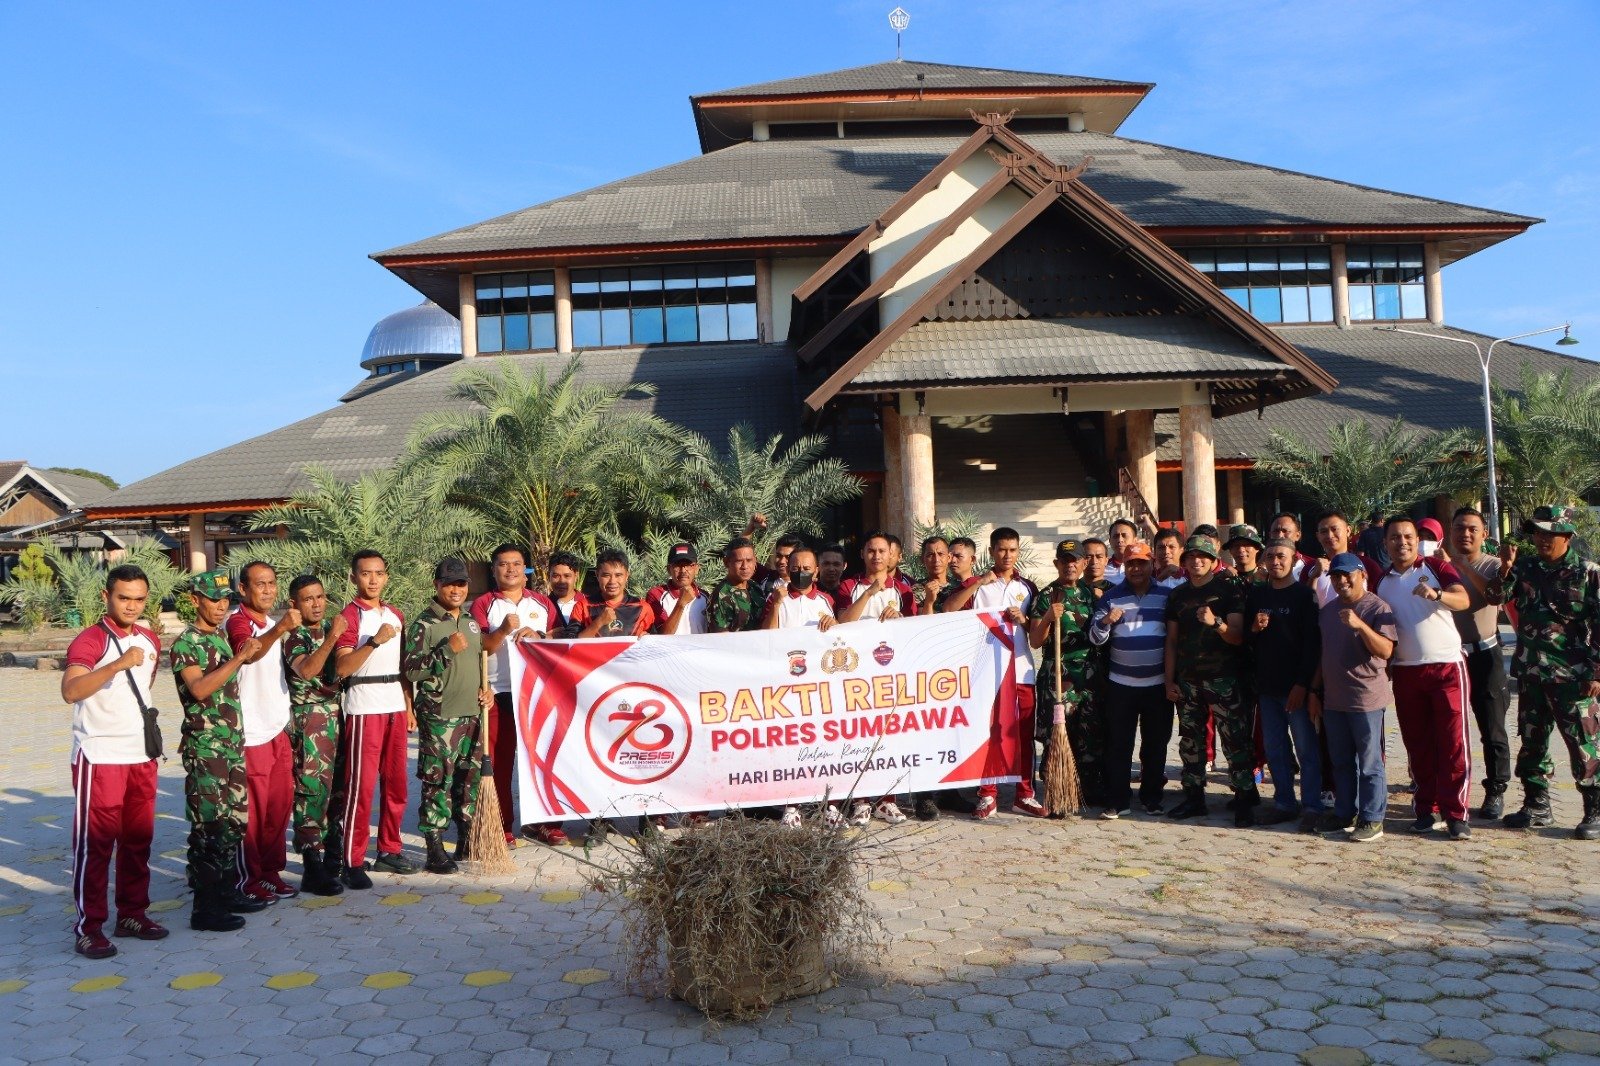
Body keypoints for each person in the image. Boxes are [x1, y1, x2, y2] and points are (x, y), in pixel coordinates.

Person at [61, 565, 165, 958]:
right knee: (96, 845)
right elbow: (71, 691)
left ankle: (133, 914)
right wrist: (116, 665)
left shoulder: (149, 639)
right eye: (124, 598)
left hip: (140, 754)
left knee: (138, 841)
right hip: (100, 756)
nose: (132, 606)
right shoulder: (91, 639)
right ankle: (89, 928)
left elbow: (144, 689)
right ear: (107, 597)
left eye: (139, 599)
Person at [1487, 505, 1600, 839]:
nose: (1541, 538)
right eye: (1537, 532)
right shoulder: (1525, 567)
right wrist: (1505, 569)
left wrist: (1596, 672)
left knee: (1584, 743)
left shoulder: (1588, 572)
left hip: (1573, 676)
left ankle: (1594, 810)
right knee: (1532, 739)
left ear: (1566, 536)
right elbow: (1494, 598)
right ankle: (1537, 805)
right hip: (1532, 672)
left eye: (1549, 533)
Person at [170, 569, 265, 931]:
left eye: (226, 599)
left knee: (233, 823)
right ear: (195, 600)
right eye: (214, 599)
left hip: (229, 746)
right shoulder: (186, 643)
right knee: (208, 827)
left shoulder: (221, 638)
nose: (221, 606)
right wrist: (239, 659)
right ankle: (205, 908)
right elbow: (199, 689)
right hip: (206, 749)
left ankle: (226, 892)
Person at [1377, 516, 1474, 840]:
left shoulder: (1435, 567)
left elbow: (1463, 599)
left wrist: (1437, 595)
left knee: (1452, 743)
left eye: (1407, 536)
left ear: (1416, 540)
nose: (1401, 542)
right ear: (1386, 542)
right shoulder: (1382, 581)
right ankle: (1426, 809)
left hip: (1446, 667)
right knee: (1418, 744)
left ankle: (1456, 813)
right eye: (1394, 537)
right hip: (1406, 671)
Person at [332, 550, 417, 888]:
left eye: (378, 573)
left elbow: (403, 665)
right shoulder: (350, 616)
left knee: (397, 783)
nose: (372, 580)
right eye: (365, 573)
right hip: (364, 704)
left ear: (386, 577)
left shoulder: (396, 614)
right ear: (354, 577)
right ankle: (351, 860)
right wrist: (373, 643)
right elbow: (342, 668)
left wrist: (409, 705)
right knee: (361, 787)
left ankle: (389, 849)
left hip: (395, 702)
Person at [943, 527, 1041, 819]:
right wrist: (978, 584)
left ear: (1018, 552)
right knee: (989, 733)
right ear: (992, 551)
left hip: (1022, 670)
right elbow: (949, 609)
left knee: (1023, 734)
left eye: (1012, 550)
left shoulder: (1029, 587)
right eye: (1001, 550)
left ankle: (1025, 794)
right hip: (987, 674)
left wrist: (1023, 620)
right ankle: (988, 794)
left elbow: (1037, 633)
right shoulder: (980, 585)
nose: (1007, 555)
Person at [405, 558, 493, 874]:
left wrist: (488, 691)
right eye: (449, 583)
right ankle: (434, 848)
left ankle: (466, 840)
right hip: (439, 717)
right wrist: (446, 651)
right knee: (436, 783)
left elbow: (479, 663)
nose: (456, 590)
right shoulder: (423, 625)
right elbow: (412, 671)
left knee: (467, 783)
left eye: (461, 584)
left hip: (472, 716)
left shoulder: (471, 622)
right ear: (436, 585)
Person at [470, 544, 559, 845]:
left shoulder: (543, 603)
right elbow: (479, 646)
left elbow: (561, 637)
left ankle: (547, 823)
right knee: (500, 763)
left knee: (542, 762)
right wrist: (502, 631)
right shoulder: (483, 604)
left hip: (537, 694)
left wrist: (540, 635)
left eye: (517, 564)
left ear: (526, 570)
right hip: (499, 693)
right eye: (503, 564)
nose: (510, 569)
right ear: (493, 570)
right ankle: (503, 826)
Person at [223, 562, 301, 903]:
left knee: (278, 808)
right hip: (250, 733)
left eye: (272, 583)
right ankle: (248, 879)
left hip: (276, 729)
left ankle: (270, 873)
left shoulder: (271, 623)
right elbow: (249, 655)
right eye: (260, 584)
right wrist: (281, 628)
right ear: (243, 589)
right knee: (251, 816)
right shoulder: (237, 621)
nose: (268, 590)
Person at [1164, 535, 1255, 825]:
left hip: (1223, 680)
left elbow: (1238, 635)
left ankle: (1243, 798)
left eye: (1203, 556)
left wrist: (1216, 622)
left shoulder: (1228, 590)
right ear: (1184, 562)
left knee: (1235, 741)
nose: (1196, 561)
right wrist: (1169, 681)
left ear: (1214, 561)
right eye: (1190, 556)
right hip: (1188, 682)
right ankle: (1194, 798)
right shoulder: (1177, 596)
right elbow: (1172, 642)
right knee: (1191, 741)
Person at [1315, 553, 1398, 842]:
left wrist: (1360, 626)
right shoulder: (1327, 611)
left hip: (1366, 700)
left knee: (1370, 762)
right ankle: (1344, 812)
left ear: (1362, 574)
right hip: (1334, 699)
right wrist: (1316, 691)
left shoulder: (1377, 607)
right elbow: (1322, 655)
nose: (1341, 580)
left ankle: (1373, 818)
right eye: (1335, 576)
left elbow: (1386, 651)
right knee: (1340, 761)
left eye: (1347, 574)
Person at [575, 549, 656, 844]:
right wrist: (598, 623)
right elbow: (571, 644)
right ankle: (600, 820)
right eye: (606, 574)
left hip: (635, 693)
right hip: (596, 692)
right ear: (597, 576)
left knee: (641, 756)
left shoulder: (642, 607)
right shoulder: (585, 605)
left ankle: (646, 821)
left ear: (627, 576)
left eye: (619, 575)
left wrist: (650, 640)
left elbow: (657, 645)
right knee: (600, 756)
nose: (612, 581)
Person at [1090, 542, 1172, 817]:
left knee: (1156, 744)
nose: (1136, 569)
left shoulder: (1166, 595)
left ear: (1152, 564)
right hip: (1121, 685)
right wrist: (1105, 623)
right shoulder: (1111, 597)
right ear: (1124, 566)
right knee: (1118, 745)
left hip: (1157, 685)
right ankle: (1119, 800)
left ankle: (1151, 797)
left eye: (1141, 563)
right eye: (1131, 564)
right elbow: (1095, 637)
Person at [1247, 539, 1323, 831]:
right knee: (1275, 749)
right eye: (1270, 556)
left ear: (1293, 560)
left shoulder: (1304, 596)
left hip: (1296, 688)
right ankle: (1284, 803)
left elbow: (1312, 646)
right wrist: (1255, 629)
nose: (1275, 561)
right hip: (1267, 688)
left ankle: (1313, 805)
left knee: (1306, 749)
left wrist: (1303, 685)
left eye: (1281, 556)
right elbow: (1248, 642)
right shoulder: (1257, 595)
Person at [1443, 507, 1513, 820]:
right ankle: (1443, 785)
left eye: (1472, 529)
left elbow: (1494, 598)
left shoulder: (1495, 565)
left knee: (1492, 727)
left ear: (1484, 534)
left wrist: (1464, 567)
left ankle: (1496, 790)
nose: (1465, 534)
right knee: (1448, 727)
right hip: (1450, 657)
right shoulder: (1438, 566)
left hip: (1486, 655)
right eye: (1459, 528)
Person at [760, 546, 839, 826]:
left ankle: (829, 804)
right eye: (796, 567)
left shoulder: (826, 601)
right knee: (790, 748)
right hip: (786, 687)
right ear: (787, 569)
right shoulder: (777, 598)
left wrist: (836, 624)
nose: (801, 572)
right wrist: (778, 604)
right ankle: (791, 806)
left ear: (816, 571)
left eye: (807, 568)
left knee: (824, 747)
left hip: (819, 687)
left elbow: (837, 642)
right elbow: (766, 638)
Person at [282, 574, 347, 895]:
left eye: (320, 597)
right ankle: (311, 865)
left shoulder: (326, 632)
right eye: (308, 599)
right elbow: (307, 670)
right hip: (310, 726)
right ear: (294, 604)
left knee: (337, 792)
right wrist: (333, 639)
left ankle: (333, 858)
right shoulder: (294, 637)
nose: (317, 604)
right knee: (311, 792)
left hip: (337, 719)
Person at [1028, 538, 1102, 813]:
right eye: (1065, 561)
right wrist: (1048, 617)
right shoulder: (1047, 595)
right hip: (1058, 674)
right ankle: (1057, 793)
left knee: (1088, 733)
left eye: (1076, 560)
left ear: (1084, 563)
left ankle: (1086, 789)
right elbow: (1035, 641)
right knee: (1057, 734)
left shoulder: (1092, 595)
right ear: (1057, 563)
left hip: (1089, 675)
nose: (1071, 565)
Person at [1304, 513, 1384, 606]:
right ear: (1318, 536)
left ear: (1348, 530)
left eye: (1335, 529)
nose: (1330, 535)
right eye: (1324, 531)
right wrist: (1314, 577)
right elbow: (1303, 605)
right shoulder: (1310, 568)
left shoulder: (1368, 565)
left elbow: (1380, 603)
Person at [838, 532, 917, 623]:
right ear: (862, 554)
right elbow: (842, 623)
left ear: (890, 554)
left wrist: (898, 616)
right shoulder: (848, 586)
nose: (877, 556)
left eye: (882, 551)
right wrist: (868, 593)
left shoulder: (903, 590)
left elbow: (912, 626)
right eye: (871, 551)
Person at [646, 542, 708, 635]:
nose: (683, 571)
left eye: (688, 565)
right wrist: (681, 604)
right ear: (669, 569)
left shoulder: (705, 597)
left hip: (699, 649)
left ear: (696, 569)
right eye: (677, 565)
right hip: (670, 650)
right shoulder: (656, 595)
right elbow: (663, 635)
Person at [707, 537, 764, 634]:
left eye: (749, 560)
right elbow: (720, 638)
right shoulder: (722, 595)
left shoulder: (755, 587)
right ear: (726, 563)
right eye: (739, 561)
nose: (745, 566)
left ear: (755, 561)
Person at [546, 551, 589, 637]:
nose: (562, 581)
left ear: (576, 576)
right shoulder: (541, 606)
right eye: (556, 576)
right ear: (548, 576)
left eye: (567, 576)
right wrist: (545, 636)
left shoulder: (590, 605)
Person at [915, 534, 961, 614]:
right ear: (922, 559)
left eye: (940, 554)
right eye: (930, 555)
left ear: (949, 557)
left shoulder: (960, 586)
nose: (936, 560)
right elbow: (924, 623)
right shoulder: (917, 589)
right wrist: (929, 602)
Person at [1267, 513, 1317, 579]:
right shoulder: (1261, 567)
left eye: (1285, 531)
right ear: (1270, 535)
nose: (1280, 535)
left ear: (1298, 535)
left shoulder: (1311, 566)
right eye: (1276, 531)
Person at [1105, 518, 1139, 584]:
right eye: (1115, 536)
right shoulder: (1102, 568)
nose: (1120, 540)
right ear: (1110, 541)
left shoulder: (1144, 566)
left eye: (1124, 536)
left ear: (1135, 541)